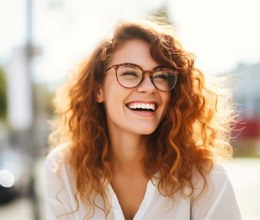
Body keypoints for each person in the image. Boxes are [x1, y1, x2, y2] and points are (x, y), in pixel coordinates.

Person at [45, 19, 241, 220]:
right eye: (130, 73)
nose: (149, 87)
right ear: (98, 89)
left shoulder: (207, 178)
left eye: (162, 75)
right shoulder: (63, 168)